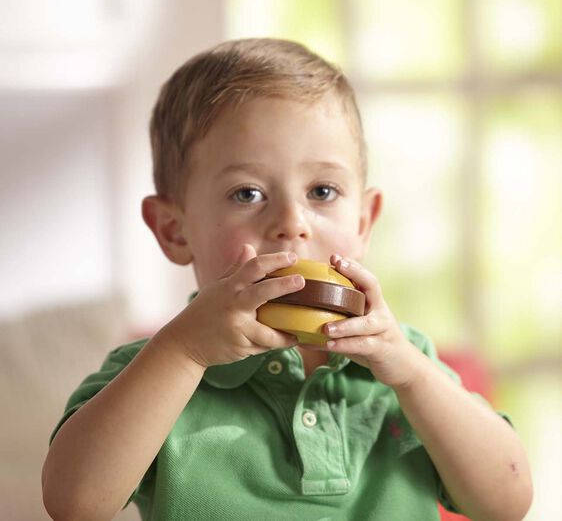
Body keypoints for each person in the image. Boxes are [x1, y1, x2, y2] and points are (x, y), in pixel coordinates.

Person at [42, 38, 532, 521]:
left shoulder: (402, 367)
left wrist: (410, 373)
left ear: (363, 223)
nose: (291, 221)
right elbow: (75, 504)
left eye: (322, 190)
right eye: (247, 193)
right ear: (174, 230)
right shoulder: (158, 367)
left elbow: (507, 502)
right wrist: (185, 352)